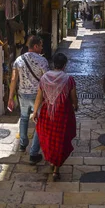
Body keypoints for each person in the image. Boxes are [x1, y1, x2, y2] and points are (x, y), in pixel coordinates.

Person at [32, 52, 78, 181]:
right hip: (63, 113)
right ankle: (56, 169)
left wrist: (35, 112)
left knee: (49, 138)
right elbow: (73, 97)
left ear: (53, 63)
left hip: (47, 112)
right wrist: (75, 105)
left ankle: (52, 162)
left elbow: (39, 97)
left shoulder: (44, 78)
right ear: (64, 65)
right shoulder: (68, 79)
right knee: (61, 140)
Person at [7, 35, 48, 163]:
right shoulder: (42, 61)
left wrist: (10, 97)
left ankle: (23, 144)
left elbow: (13, 79)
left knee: (24, 118)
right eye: (40, 46)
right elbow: (46, 80)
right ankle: (34, 151)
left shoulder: (18, 60)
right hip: (38, 96)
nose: (41, 48)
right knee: (39, 123)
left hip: (23, 94)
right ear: (35, 46)